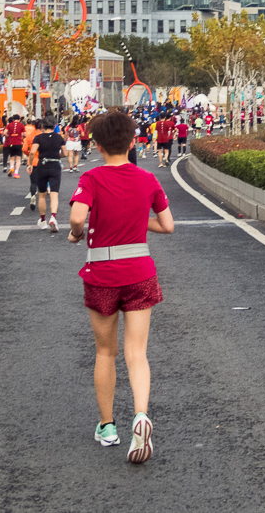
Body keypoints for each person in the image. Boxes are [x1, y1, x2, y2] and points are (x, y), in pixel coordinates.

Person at [68, 110, 175, 463]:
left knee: (105, 352)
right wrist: (137, 224)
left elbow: (78, 217)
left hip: (102, 274)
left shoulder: (92, 178)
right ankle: (141, 415)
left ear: (96, 146)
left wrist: (76, 233)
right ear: (133, 141)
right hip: (140, 272)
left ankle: (108, 426)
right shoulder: (147, 179)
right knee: (137, 353)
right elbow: (168, 225)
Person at [30, 117, 66, 232]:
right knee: (54, 194)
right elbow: (65, 153)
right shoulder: (58, 137)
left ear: (42, 126)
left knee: (42, 195)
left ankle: (43, 220)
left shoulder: (38, 138)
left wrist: (30, 164)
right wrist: (56, 156)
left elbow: (32, 152)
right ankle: (53, 217)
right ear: (55, 126)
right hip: (55, 165)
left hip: (42, 166)